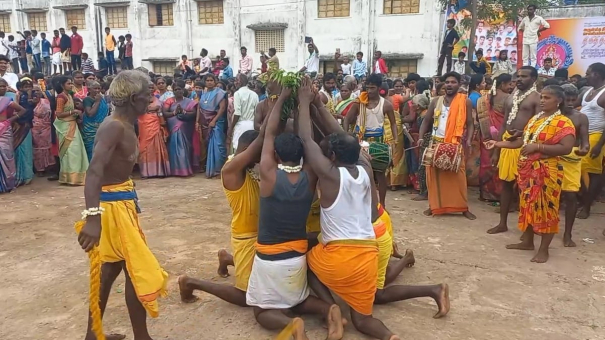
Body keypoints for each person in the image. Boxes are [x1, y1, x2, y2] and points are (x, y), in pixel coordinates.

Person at [296, 78, 400, 340]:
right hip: (368, 254)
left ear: (331, 156)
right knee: (364, 321)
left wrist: (304, 102)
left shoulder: (330, 175)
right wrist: (319, 105)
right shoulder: (364, 166)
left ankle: (330, 306)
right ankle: (391, 337)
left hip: (339, 256)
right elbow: (343, 137)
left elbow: (306, 139)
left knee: (306, 261)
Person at [75, 71, 168, 340]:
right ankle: (141, 337)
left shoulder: (128, 125)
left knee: (113, 269)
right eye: (147, 94)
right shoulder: (113, 126)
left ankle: (94, 335)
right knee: (134, 269)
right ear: (133, 98)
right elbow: (94, 172)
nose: (151, 98)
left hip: (122, 204)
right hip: (112, 208)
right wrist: (93, 218)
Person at [178, 123, 267, 308]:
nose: (259, 159)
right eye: (256, 154)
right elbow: (259, 142)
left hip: (255, 234)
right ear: (246, 150)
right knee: (246, 297)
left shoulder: (247, 168)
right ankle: (191, 283)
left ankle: (227, 258)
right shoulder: (231, 169)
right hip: (245, 236)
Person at [485, 85, 575, 263]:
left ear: (559, 101)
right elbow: (522, 142)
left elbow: (566, 148)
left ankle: (544, 249)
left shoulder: (564, 122)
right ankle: (527, 241)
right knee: (527, 204)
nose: (542, 100)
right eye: (541, 97)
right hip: (527, 170)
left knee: (546, 208)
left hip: (547, 171)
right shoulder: (536, 119)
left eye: (547, 98)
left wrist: (539, 147)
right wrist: (497, 144)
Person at [488, 66, 540, 233]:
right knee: (506, 185)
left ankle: (528, 230)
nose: (519, 79)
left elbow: (539, 126)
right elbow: (504, 124)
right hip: (507, 145)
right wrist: (497, 150)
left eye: (524, 76)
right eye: (517, 76)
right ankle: (502, 223)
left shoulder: (537, 99)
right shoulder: (512, 96)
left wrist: (524, 134)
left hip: (525, 146)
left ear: (534, 79)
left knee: (527, 188)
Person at [417, 72, 476, 220]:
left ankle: (463, 208)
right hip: (436, 142)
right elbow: (426, 121)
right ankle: (434, 206)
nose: (449, 84)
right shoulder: (436, 101)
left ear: (459, 84)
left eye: (453, 82)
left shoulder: (465, 101)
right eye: (447, 82)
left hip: (455, 143)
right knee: (434, 177)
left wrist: (468, 140)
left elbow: (470, 123)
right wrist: (420, 137)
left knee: (459, 177)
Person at [344, 74, 397, 207]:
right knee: (359, 173)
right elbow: (346, 119)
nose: (369, 91)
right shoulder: (359, 102)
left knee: (380, 174)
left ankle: (382, 205)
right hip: (361, 140)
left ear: (379, 88)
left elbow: (393, 123)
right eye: (367, 88)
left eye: (372, 88)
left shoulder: (387, 105)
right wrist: (346, 135)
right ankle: (359, 204)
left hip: (379, 140)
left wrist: (395, 139)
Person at [559, 84, 589, 247]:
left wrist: (585, 149)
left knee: (571, 196)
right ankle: (542, 228)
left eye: (573, 99)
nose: (570, 103)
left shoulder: (580, 117)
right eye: (567, 99)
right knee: (549, 196)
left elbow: (585, 142)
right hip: (553, 158)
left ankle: (567, 234)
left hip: (572, 161)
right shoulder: (553, 116)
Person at [476, 74, 512, 201]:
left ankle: (485, 193)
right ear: (502, 84)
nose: (511, 86)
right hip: (500, 137)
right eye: (509, 84)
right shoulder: (508, 98)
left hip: (486, 136)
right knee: (499, 163)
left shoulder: (484, 97)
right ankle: (498, 194)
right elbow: (509, 120)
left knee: (486, 163)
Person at [577, 62, 605, 220]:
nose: (586, 76)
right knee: (579, 169)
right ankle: (584, 201)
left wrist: (599, 145)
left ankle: (587, 206)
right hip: (583, 135)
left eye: (588, 73)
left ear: (598, 75)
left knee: (593, 173)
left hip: (597, 135)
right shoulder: (588, 91)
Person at [53, 76, 89, 185]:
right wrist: (73, 112)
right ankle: (69, 178)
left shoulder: (69, 95)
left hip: (72, 125)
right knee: (70, 151)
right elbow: (58, 114)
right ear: (62, 85)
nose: (71, 85)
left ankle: (77, 177)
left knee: (77, 151)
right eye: (68, 84)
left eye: (71, 83)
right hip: (65, 127)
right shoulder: (61, 97)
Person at [163, 80, 197, 177]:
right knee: (175, 147)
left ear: (183, 90)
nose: (178, 91)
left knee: (184, 148)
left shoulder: (189, 101)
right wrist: (174, 113)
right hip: (173, 126)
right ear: (173, 91)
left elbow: (194, 113)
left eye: (179, 89)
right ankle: (176, 171)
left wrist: (183, 112)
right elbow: (165, 113)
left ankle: (185, 170)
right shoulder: (169, 101)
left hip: (185, 127)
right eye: (176, 89)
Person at [197, 74, 227, 178]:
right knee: (209, 146)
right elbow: (200, 109)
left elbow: (222, 109)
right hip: (205, 124)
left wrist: (214, 120)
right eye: (207, 80)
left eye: (211, 80)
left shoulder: (220, 93)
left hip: (217, 123)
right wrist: (198, 122)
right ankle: (212, 170)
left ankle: (219, 171)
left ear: (215, 81)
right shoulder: (203, 94)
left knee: (218, 145)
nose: (209, 82)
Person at [138, 82, 170, 178]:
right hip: (144, 123)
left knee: (157, 144)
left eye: (152, 87)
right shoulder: (140, 99)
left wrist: (162, 121)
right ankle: (146, 172)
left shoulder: (157, 99)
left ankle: (159, 171)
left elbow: (160, 112)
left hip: (155, 123)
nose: (151, 89)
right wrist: (150, 109)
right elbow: (138, 110)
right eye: (149, 88)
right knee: (145, 146)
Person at [0, 78, 25, 192]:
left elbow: (22, 110)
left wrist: (9, 121)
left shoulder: (7, 100)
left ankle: (8, 184)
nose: (3, 88)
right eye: (0, 86)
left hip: (4, 130)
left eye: (4, 86)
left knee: (6, 156)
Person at [411, 92, 433, 201]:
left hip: (427, 142)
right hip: (425, 142)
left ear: (418, 106)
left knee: (423, 166)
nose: (411, 105)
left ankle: (424, 192)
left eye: (413, 104)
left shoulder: (424, 116)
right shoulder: (423, 114)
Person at [385, 79, 407, 190]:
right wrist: (406, 91)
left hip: (386, 127)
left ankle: (388, 181)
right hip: (395, 126)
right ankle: (396, 182)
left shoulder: (379, 101)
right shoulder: (398, 98)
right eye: (397, 86)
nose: (398, 88)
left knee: (389, 153)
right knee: (397, 154)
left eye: (400, 86)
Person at [229, 74, 258, 153]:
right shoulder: (254, 94)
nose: (235, 83)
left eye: (236, 80)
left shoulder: (237, 94)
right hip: (252, 125)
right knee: (250, 151)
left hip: (241, 126)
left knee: (238, 150)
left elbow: (237, 113)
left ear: (240, 82)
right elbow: (257, 112)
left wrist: (231, 127)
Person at [82, 81, 110, 162]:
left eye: (99, 88)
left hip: (102, 128)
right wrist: (97, 102)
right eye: (95, 88)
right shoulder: (88, 100)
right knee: (92, 150)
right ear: (89, 89)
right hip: (90, 130)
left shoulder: (102, 99)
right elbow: (90, 114)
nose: (97, 90)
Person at [31, 86, 54, 176]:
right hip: (33, 129)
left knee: (48, 148)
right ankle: (39, 169)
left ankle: (49, 167)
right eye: (33, 91)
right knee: (37, 149)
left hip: (46, 128)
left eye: (37, 90)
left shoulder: (46, 102)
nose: (36, 92)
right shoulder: (27, 102)